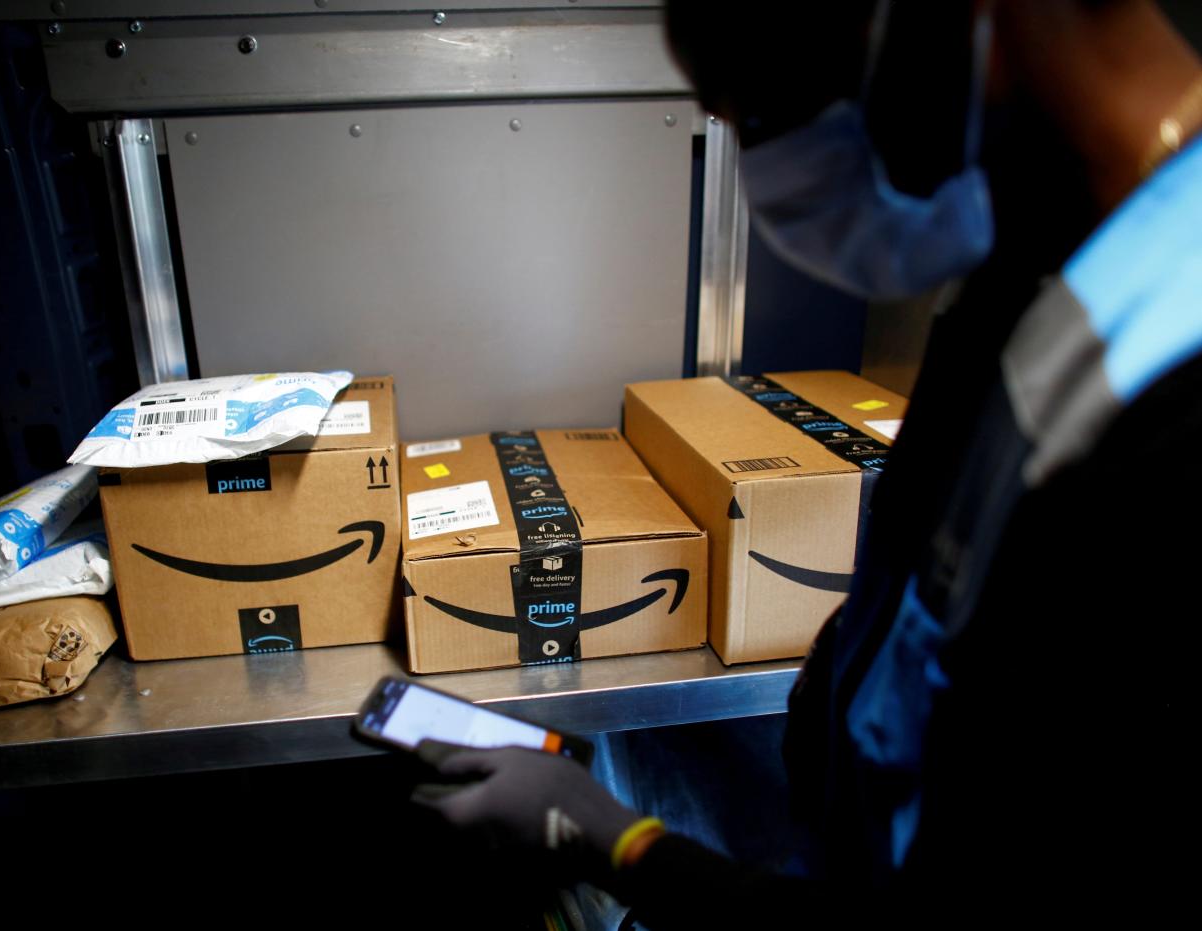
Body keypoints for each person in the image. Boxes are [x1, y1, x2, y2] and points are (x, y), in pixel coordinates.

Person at [414, 1, 1195, 921]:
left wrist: (617, 842)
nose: (763, 167)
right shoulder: (1033, 268)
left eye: (764, 108)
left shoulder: (1167, 417)